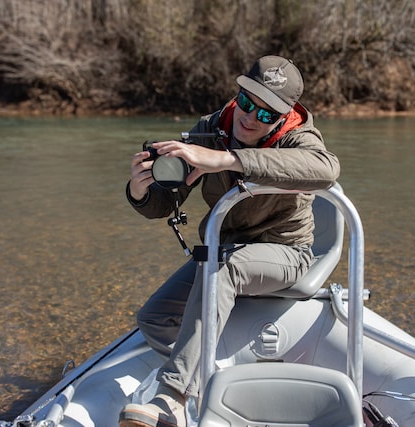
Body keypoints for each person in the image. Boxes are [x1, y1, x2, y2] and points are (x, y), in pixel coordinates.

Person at [120, 55, 340, 427]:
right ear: (238, 95)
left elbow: (325, 169)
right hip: (223, 247)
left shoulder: (298, 136)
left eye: (266, 114)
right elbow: (166, 202)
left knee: (224, 270)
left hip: (286, 251)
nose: (251, 117)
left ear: (284, 116)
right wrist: (140, 191)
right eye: (247, 102)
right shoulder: (210, 127)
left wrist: (227, 160)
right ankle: (209, 375)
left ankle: (171, 398)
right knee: (153, 318)